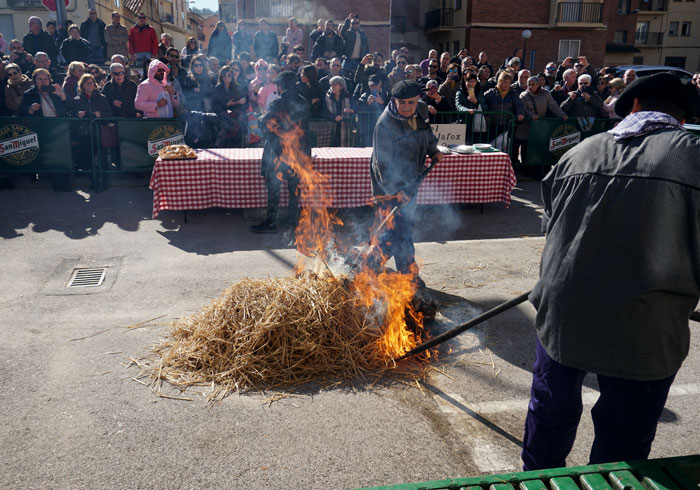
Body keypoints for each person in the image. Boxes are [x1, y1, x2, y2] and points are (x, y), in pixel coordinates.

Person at [523, 72, 700, 471]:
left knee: (549, 415)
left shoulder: (581, 151)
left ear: (633, 106)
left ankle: (537, 479)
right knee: (623, 439)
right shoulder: (694, 156)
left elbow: (550, 226)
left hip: (563, 311)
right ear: (683, 116)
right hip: (644, 324)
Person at [369, 80, 443, 288]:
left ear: (417, 100)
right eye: (403, 103)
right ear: (394, 101)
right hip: (389, 187)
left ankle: (372, 264)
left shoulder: (417, 114)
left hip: (411, 182)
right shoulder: (385, 125)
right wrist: (395, 192)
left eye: (411, 103)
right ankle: (407, 273)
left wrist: (434, 150)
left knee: (400, 228)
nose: (407, 107)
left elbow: (426, 136)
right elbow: (381, 165)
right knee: (400, 229)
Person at [251, 70, 310, 234]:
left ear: (281, 85)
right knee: (294, 189)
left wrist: (260, 118)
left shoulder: (277, 103)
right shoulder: (304, 102)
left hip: (278, 152)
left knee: (274, 188)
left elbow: (265, 125)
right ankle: (292, 222)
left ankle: (271, 223)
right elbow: (305, 130)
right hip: (297, 153)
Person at [357, 74, 387, 146]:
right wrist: (367, 103)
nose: (373, 87)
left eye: (375, 85)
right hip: (368, 127)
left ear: (380, 84)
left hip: (383, 126)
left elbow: (391, 108)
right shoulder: (364, 95)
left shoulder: (386, 94)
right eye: (371, 85)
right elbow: (358, 109)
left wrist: (382, 102)